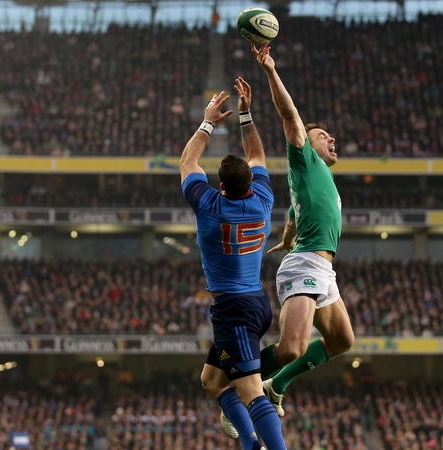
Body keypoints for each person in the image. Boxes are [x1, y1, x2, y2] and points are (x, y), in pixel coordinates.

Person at [251, 42, 355, 415]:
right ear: (307, 144)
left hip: (322, 267)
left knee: (341, 340)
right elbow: (289, 115)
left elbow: (298, 213)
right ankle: (233, 383)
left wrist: (286, 237)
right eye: (322, 135)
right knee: (291, 349)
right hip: (307, 264)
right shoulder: (304, 159)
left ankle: (275, 385)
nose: (331, 139)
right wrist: (270, 70)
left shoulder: (318, 177)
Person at [182, 79, 285, 450]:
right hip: (253, 301)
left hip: (235, 310)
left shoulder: (209, 206)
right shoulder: (263, 200)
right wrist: (246, 115)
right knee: (211, 380)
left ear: (221, 187)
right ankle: (251, 444)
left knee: (252, 392)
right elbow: (257, 155)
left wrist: (208, 122)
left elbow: (188, 161)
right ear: (251, 183)